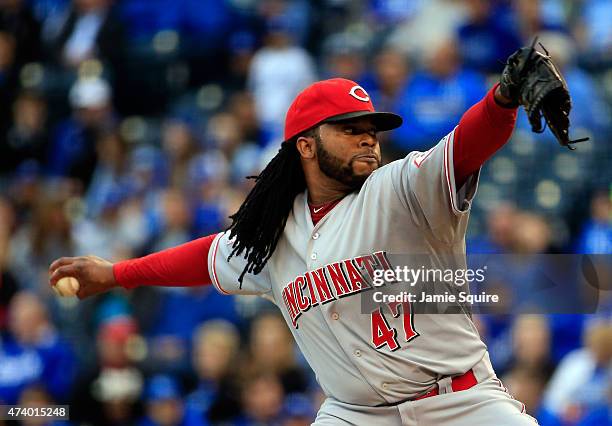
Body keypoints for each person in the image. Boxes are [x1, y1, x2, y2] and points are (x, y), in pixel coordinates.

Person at [50, 74, 538, 424]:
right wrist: (117, 273)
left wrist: (502, 99)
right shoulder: (273, 233)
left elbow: (467, 145)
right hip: (356, 416)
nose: (368, 138)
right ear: (305, 145)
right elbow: (206, 257)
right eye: (349, 128)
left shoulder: (398, 189)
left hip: (461, 405)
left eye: (371, 129)